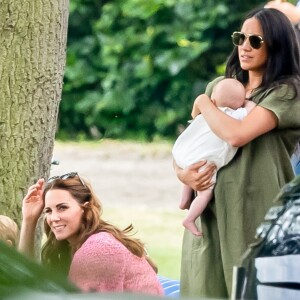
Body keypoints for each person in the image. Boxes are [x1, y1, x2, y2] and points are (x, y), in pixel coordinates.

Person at [174, 7, 300, 299]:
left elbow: (237, 134)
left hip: (255, 212)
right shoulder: (222, 87)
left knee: (253, 291)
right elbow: (192, 142)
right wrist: (184, 174)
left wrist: (204, 103)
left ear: (277, 45)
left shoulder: (287, 94)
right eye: (240, 37)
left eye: (256, 40)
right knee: (205, 289)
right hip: (210, 213)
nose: (245, 46)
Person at [18, 172, 163, 296]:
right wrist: (29, 220)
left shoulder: (98, 249)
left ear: (85, 208)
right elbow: (27, 284)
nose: (54, 218)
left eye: (62, 208)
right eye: (48, 211)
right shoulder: (72, 246)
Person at [172, 78, 255, 236]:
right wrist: (246, 102)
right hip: (204, 160)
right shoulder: (234, 115)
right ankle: (189, 219)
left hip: (184, 153)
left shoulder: (206, 113)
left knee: (192, 169)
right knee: (206, 191)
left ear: (213, 100)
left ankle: (184, 200)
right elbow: (252, 108)